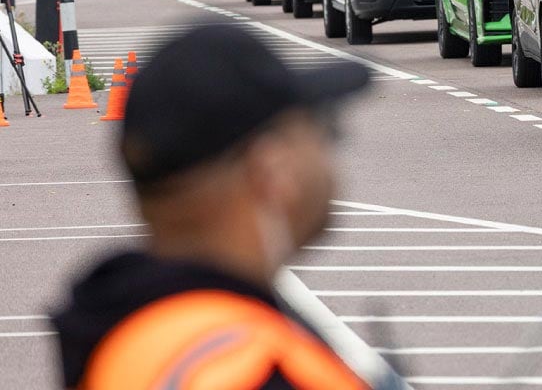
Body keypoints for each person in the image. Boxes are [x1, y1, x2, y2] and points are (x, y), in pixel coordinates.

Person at [52, 25, 378, 390]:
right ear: (270, 172)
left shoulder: (124, 333)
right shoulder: (260, 371)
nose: (329, 154)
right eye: (326, 132)